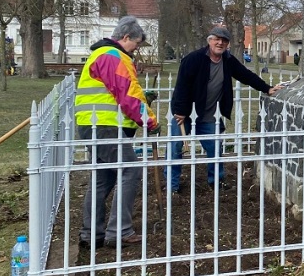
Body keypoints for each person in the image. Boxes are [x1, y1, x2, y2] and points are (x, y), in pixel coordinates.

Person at [74, 16, 158, 248]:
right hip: (106, 127)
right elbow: (127, 94)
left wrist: (144, 99)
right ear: (125, 37)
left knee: (103, 178)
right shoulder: (113, 56)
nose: (137, 49)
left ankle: (91, 234)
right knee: (130, 170)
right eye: (137, 43)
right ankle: (119, 231)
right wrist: (150, 121)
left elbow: (116, 91)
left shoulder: (101, 55)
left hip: (93, 125)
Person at [166, 26, 280, 192]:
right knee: (175, 147)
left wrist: (267, 88)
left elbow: (246, 75)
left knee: (215, 148)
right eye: (217, 39)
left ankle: (216, 182)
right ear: (209, 40)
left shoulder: (228, 60)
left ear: (227, 44)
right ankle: (172, 186)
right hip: (185, 114)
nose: (220, 43)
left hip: (210, 115)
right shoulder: (193, 59)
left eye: (224, 41)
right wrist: (180, 111)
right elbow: (181, 86)